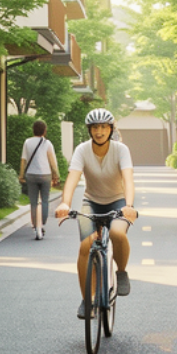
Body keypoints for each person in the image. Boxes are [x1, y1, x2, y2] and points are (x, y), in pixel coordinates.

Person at [55, 108, 138, 319]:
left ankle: (121, 272)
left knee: (118, 234)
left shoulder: (121, 150)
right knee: (86, 245)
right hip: (91, 202)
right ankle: (86, 299)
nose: (99, 131)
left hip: (118, 202)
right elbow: (73, 177)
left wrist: (128, 205)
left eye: (103, 127)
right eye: (95, 127)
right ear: (89, 130)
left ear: (111, 129)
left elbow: (128, 178)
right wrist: (64, 203)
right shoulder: (82, 150)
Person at [18, 120, 60, 240]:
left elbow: (23, 160)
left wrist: (21, 175)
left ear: (33, 130)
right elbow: (53, 161)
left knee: (33, 202)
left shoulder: (27, 142)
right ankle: (42, 223)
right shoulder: (47, 143)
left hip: (31, 174)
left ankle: (35, 226)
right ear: (44, 131)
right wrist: (56, 175)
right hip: (45, 175)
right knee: (45, 200)